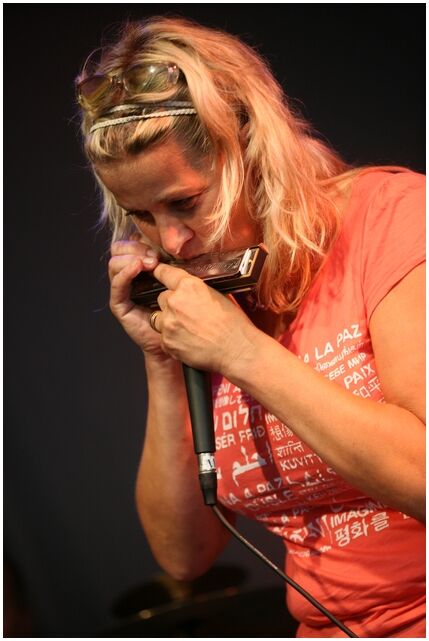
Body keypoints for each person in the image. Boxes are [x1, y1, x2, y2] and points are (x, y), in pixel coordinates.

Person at [75, 16, 425, 638]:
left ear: (252, 152)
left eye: (185, 202)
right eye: (141, 215)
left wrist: (245, 354)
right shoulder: (212, 300)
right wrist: (162, 357)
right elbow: (184, 557)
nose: (172, 241)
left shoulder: (393, 217)